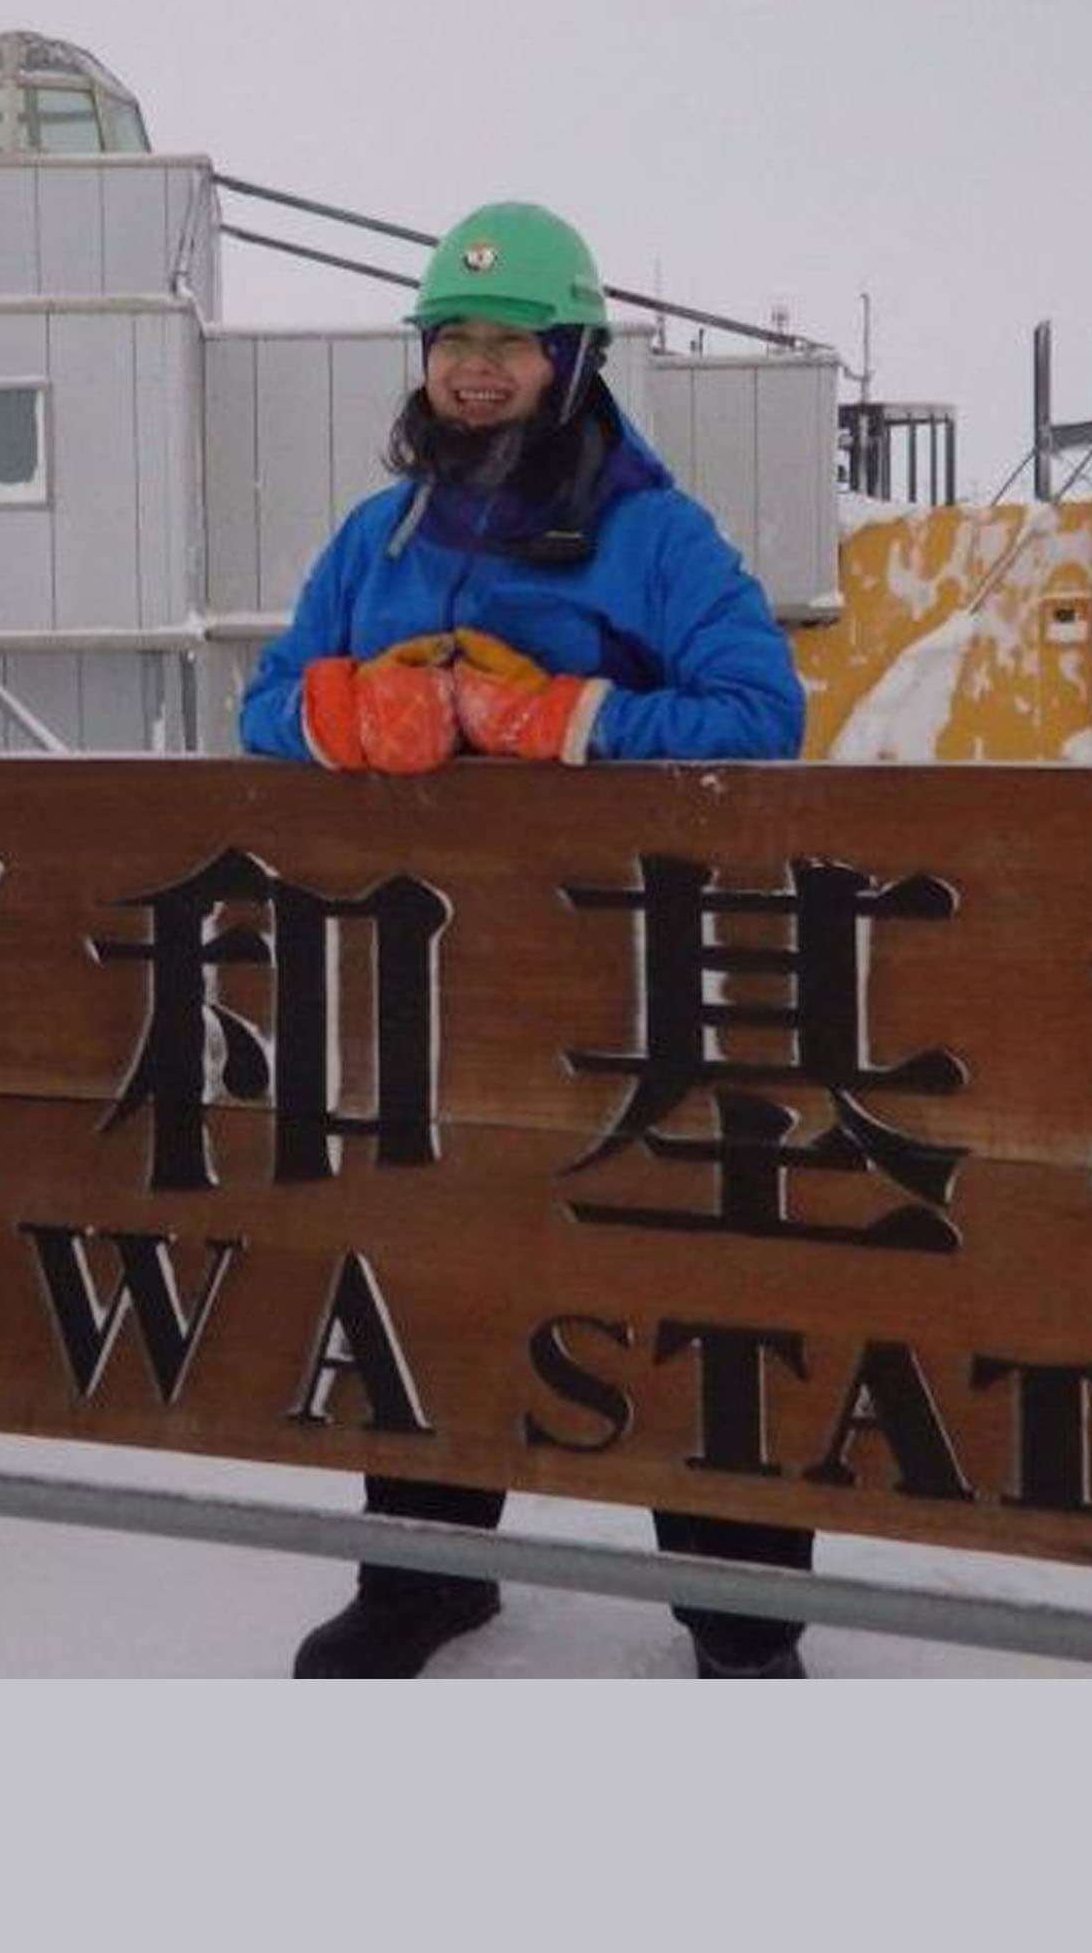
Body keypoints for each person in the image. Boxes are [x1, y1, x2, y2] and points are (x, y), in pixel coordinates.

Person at [240, 199, 815, 1679]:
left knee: (685, 1285)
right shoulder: (377, 539)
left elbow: (762, 715)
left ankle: (741, 1618)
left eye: (510, 339)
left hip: (644, 991)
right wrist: (350, 711)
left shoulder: (654, 535)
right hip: (434, 989)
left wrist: (560, 718)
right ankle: (426, 1574)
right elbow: (265, 704)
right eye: (453, 338)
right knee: (432, 1259)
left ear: (574, 358)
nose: (476, 367)